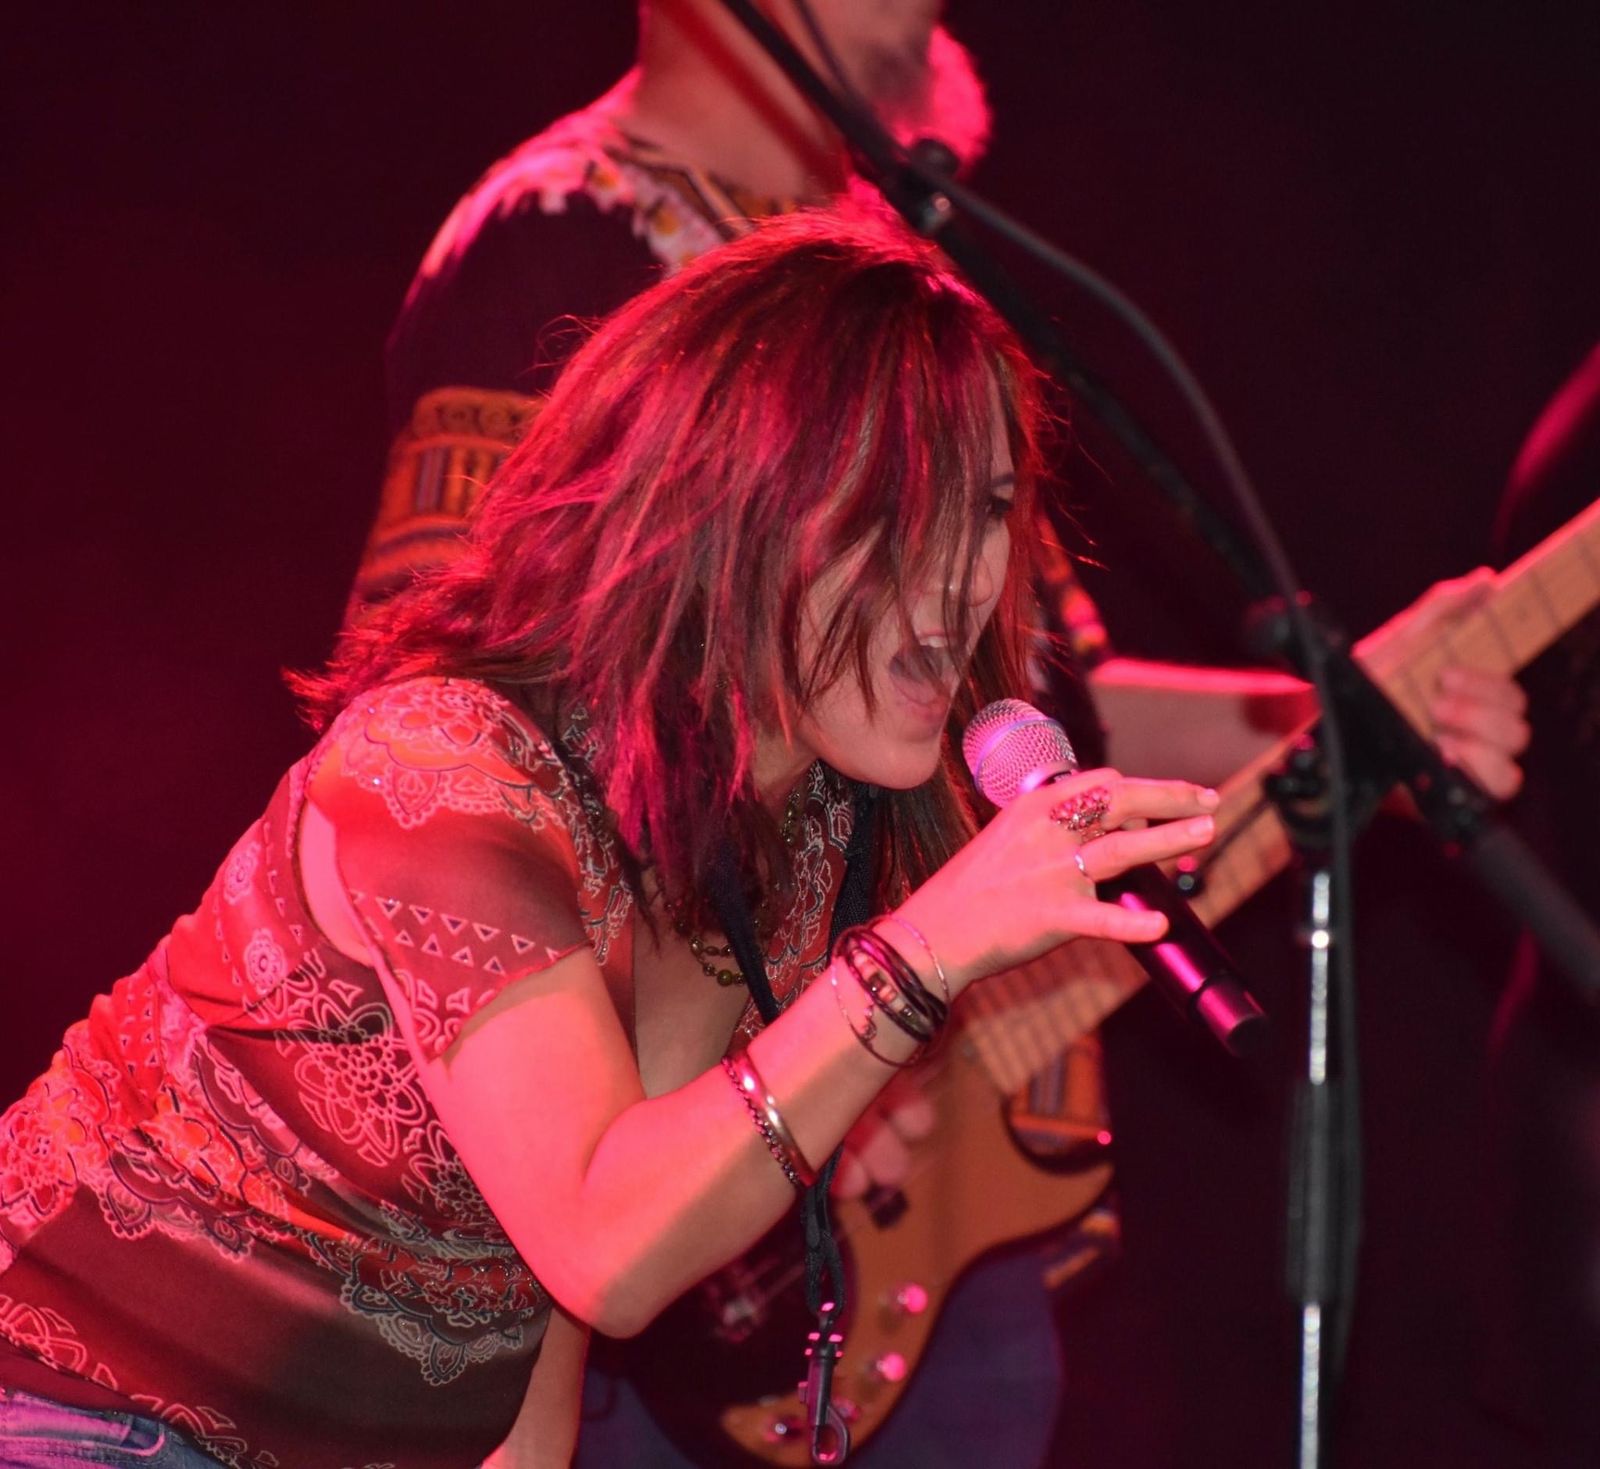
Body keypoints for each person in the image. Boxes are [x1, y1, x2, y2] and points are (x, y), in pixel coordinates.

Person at [0, 213, 1225, 1469]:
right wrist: (919, 954)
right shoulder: (445, 771)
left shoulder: (798, 827)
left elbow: (556, 1301)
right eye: (900, 511)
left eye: (991, 510)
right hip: (76, 1409)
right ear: (730, 513)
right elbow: (607, 1242)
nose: (965, 578)